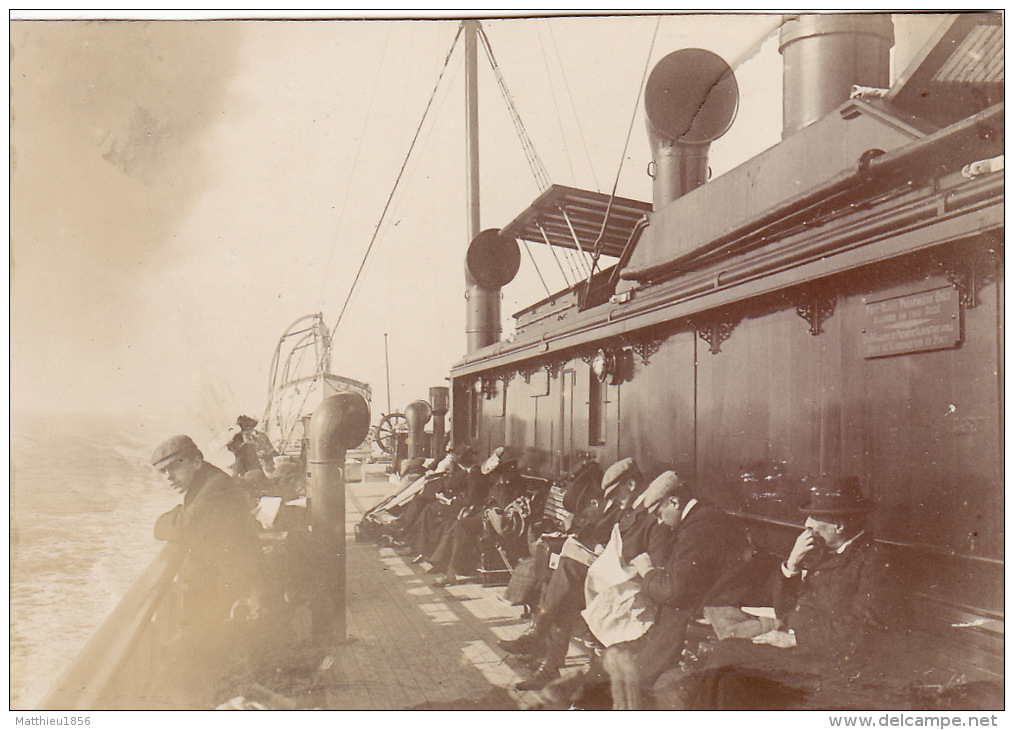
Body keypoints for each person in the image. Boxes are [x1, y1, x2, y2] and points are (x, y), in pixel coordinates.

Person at [665, 476, 889, 710]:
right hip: (796, 646)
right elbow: (785, 609)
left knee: (727, 665)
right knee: (726, 662)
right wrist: (791, 565)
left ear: (839, 525)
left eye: (814, 517)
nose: (807, 524)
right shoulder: (823, 550)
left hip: (824, 659)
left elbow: (866, 629)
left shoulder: (873, 560)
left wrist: (794, 639)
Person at [499, 457, 653, 691]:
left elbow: (635, 547)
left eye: (616, 494)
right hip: (614, 570)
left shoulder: (645, 508)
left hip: (631, 576)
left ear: (631, 485)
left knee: (567, 572)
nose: (613, 500)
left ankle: (540, 638)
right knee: (563, 586)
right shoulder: (630, 505)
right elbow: (604, 532)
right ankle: (546, 657)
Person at [603, 472, 747, 710]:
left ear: (674, 502)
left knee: (630, 672)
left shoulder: (699, 526)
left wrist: (648, 571)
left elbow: (672, 591)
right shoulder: (699, 518)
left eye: (659, 514)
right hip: (687, 613)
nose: (660, 522)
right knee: (618, 660)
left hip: (695, 619)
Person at [151, 434, 264, 707]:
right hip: (224, 586)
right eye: (163, 471)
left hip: (227, 592)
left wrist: (169, 519)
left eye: (174, 468)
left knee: (182, 661)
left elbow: (177, 526)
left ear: (196, 461)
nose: (168, 477)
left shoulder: (215, 488)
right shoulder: (206, 482)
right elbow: (188, 517)